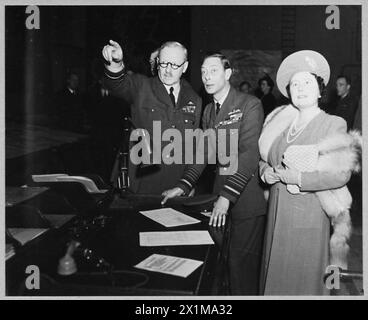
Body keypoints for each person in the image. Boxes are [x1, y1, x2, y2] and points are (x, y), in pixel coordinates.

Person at [161, 53, 267, 295]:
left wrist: (227, 197)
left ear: (228, 74)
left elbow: (250, 153)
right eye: (203, 72)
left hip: (245, 199)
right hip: (219, 198)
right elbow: (203, 153)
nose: (207, 76)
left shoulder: (249, 104)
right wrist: (184, 185)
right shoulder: (209, 111)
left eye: (213, 70)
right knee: (222, 266)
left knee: (241, 269)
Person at [258, 50, 361, 295]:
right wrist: (265, 172)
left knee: (302, 283)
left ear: (319, 90)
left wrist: (299, 178)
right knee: (274, 280)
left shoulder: (332, 123)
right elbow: (264, 159)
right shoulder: (280, 124)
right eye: (295, 84)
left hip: (308, 216)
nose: (300, 88)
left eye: (307, 82)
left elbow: (341, 174)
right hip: (276, 213)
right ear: (288, 91)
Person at [102, 40, 202, 194]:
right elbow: (118, 85)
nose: (168, 70)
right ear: (157, 62)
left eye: (175, 65)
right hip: (140, 182)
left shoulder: (194, 98)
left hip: (174, 185)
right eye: (163, 63)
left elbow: (193, 147)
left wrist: (187, 183)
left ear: (185, 67)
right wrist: (116, 64)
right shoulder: (142, 86)